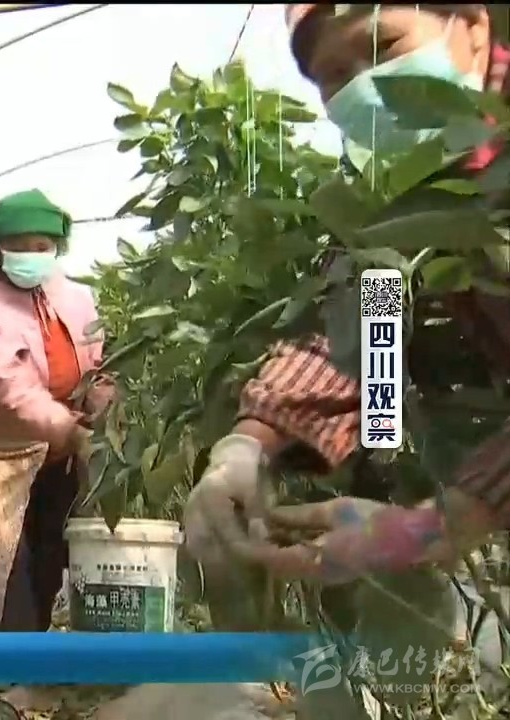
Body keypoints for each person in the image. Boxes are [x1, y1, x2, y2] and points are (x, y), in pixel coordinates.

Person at [185, 4, 509, 592]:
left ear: (476, 28)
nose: (368, 84)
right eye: (334, 74)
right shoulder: (405, 181)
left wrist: (442, 523)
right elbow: (366, 329)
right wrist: (247, 444)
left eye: (386, 45)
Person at [0, 189, 112, 632]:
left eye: (41, 246)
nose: (31, 255)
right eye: (18, 246)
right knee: (7, 565)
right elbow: (13, 386)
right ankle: (14, 655)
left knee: (49, 556)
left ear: (56, 247)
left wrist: (101, 402)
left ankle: (35, 649)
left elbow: (96, 362)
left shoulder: (76, 298)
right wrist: (68, 428)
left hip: (62, 454)